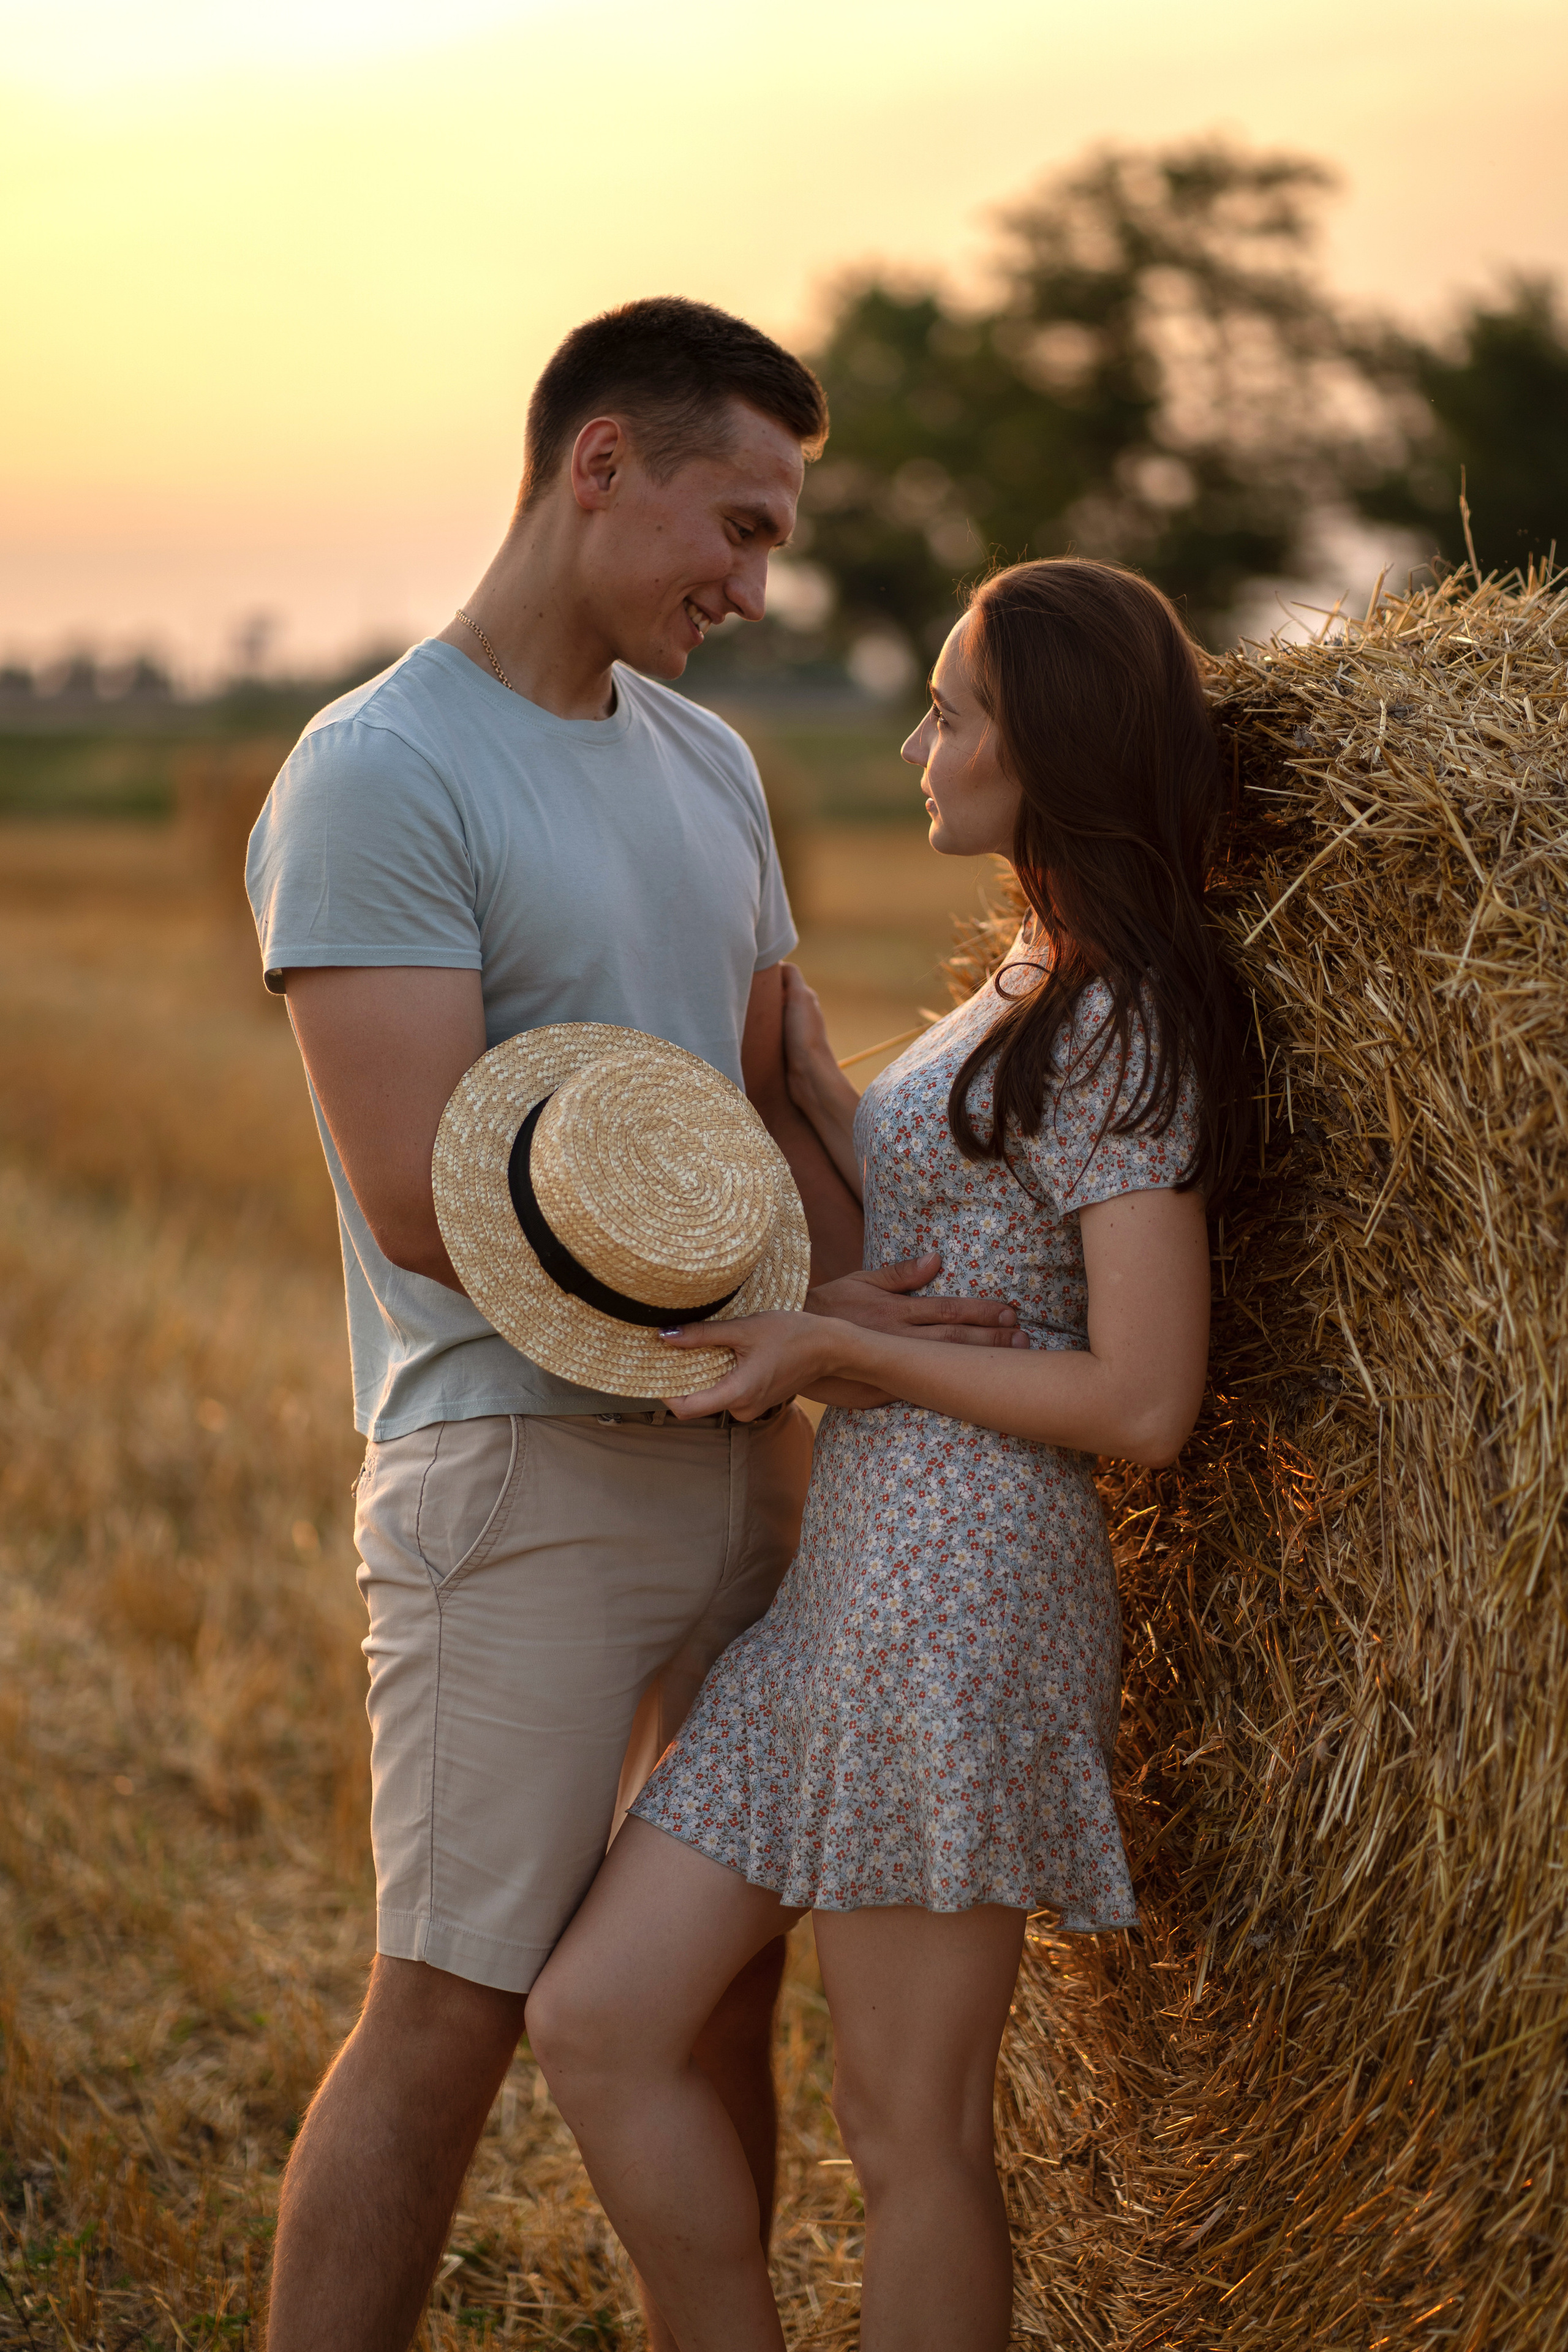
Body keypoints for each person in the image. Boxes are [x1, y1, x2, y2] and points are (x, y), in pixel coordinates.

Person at [244, 295, 1024, 2352]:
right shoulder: (381, 774)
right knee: (451, 2010)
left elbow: (769, 1092)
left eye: (775, 543)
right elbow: (424, 1200)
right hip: (522, 1482)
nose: (754, 588)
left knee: (713, 1993)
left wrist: (871, 1345)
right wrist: (793, 1317)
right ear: (601, 463)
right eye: (738, 528)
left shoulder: (710, 763)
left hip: (751, 1468)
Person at [525, 557, 1250, 2351]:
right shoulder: (1032, 972)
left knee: (907, 2132)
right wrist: (826, 1104)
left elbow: (1143, 1401)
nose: (919, 746)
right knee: (596, 2021)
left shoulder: (1126, 1019)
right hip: (857, 1591)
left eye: (953, 712)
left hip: (967, 1608)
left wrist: (840, 1346)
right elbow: (974, 1238)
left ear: (1048, 749)